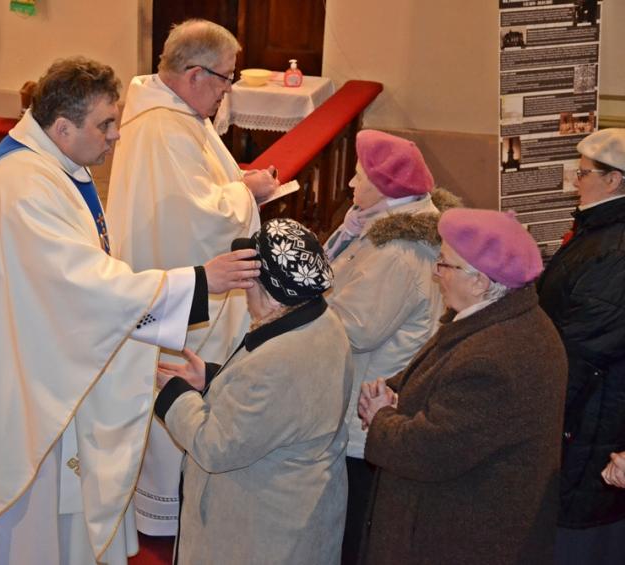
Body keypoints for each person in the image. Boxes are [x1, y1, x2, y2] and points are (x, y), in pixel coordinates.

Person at [0, 57, 260, 565]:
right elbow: (85, 288)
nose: (116, 135)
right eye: (105, 124)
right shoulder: (22, 189)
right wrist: (199, 282)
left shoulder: (53, 166)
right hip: (24, 388)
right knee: (30, 526)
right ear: (62, 127)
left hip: (44, 358)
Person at [104, 18, 279, 535]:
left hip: (175, 282)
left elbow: (196, 188)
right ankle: (171, 509)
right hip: (179, 290)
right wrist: (248, 193)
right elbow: (198, 218)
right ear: (195, 74)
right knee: (178, 378)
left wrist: (237, 181)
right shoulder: (162, 125)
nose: (228, 90)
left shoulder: (174, 111)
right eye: (226, 77)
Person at [358, 208, 567, 565]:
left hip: (458, 538)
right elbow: (438, 377)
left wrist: (381, 417)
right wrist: (395, 390)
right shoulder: (498, 322)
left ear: (480, 282)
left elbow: (429, 451)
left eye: (444, 264)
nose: (435, 272)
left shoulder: (495, 358)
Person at [154, 218, 353, 564]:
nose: (244, 288)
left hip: (261, 529)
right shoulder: (322, 322)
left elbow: (216, 447)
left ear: (272, 296)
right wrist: (212, 378)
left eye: (250, 280)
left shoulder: (280, 360)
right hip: (295, 510)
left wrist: (176, 396)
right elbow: (276, 409)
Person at [323, 130, 458, 564]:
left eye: (358, 175)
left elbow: (357, 328)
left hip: (366, 407)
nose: (350, 183)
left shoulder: (400, 251)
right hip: (368, 397)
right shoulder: (380, 226)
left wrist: (304, 307)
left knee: (356, 527)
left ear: (385, 185)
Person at [535, 128, 625, 565]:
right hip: (586, 415)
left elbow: (582, 350)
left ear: (614, 180)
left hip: (591, 422)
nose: (575, 180)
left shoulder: (615, 249)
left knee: (578, 541)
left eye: (584, 173)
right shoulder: (598, 231)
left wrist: (542, 410)